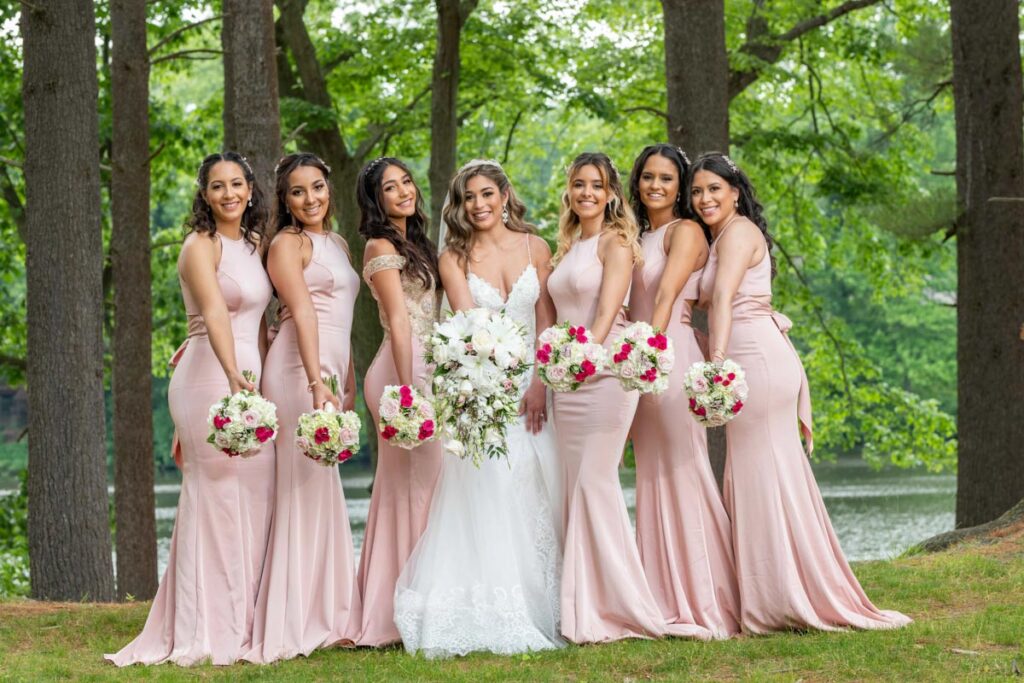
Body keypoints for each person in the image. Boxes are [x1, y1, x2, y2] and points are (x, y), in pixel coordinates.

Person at [692, 152, 912, 634]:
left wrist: (717, 364)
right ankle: (774, 590)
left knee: (762, 471)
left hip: (754, 358)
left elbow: (724, 298)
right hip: (750, 353)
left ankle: (782, 597)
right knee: (757, 472)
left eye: (713, 188)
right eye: (697, 191)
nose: (704, 198)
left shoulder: (740, 233)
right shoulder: (721, 237)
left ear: (734, 191)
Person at [106, 152, 275, 666]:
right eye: (218, 186)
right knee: (216, 492)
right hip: (209, 373)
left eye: (237, 184)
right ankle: (206, 625)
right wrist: (230, 374)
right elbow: (216, 314)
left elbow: (262, 320)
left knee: (254, 492)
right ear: (204, 194)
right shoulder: (198, 247)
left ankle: (246, 619)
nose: (229, 194)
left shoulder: (254, 244)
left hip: (251, 373)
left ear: (250, 189)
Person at [393, 160, 564, 658]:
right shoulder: (454, 257)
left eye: (488, 193)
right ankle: (495, 605)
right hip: (483, 387)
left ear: (506, 194)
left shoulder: (538, 247)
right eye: (469, 197)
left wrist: (541, 385)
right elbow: (469, 327)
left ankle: (546, 604)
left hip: (533, 389)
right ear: (460, 206)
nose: (480, 204)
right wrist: (490, 386)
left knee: (536, 487)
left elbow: (547, 323)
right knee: (490, 489)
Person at [547, 152, 709, 643]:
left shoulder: (618, 242)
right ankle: (583, 605)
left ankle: (630, 608)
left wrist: (583, 359)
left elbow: (609, 308)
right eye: (579, 184)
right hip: (568, 377)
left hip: (605, 370)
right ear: (569, 192)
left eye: (597, 185)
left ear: (613, 192)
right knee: (575, 486)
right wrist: (559, 366)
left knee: (595, 483)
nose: (588, 194)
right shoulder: (569, 243)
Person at [243, 153, 361, 663]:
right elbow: (306, 312)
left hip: (331, 367)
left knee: (324, 485)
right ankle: (291, 619)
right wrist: (316, 382)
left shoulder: (336, 242)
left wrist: (347, 377)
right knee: (300, 484)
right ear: (284, 199)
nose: (311, 198)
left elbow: (345, 315)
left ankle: (329, 613)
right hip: (297, 368)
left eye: (317, 187)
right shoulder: (286, 245)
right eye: (298, 191)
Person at [627, 144, 740, 639]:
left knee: (684, 469)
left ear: (680, 186)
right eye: (648, 177)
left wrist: (648, 352)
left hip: (665, 353)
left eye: (667, 179)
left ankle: (707, 597)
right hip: (636, 359)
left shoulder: (686, 231)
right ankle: (657, 592)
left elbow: (669, 294)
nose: (656, 185)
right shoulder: (635, 235)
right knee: (651, 474)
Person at [354, 157, 444, 647]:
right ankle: (396, 613)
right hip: (399, 372)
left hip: (427, 367)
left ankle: (420, 601)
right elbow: (401, 321)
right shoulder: (379, 245)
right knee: (410, 489)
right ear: (376, 200)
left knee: (425, 487)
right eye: (390, 188)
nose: (403, 191)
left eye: (406, 181)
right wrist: (410, 392)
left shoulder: (418, 244)